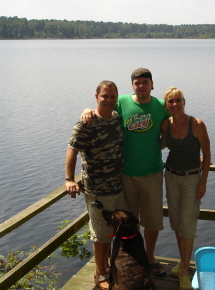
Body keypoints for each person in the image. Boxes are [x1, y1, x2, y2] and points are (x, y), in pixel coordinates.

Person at [81, 68, 169, 277]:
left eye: (145, 82)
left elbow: (177, 123)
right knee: (130, 221)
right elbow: (102, 107)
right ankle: (134, 257)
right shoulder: (120, 101)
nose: (141, 86)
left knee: (153, 221)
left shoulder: (160, 106)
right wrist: (86, 110)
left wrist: (194, 154)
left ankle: (149, 257)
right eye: (137, 82)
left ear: (152, 84)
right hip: (125, 175)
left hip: (152, 173)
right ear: (132, 85)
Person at [65, 80, 124, 290]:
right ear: (96, 97)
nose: (108, 100)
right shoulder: (86, 123)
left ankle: (109, 267)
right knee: (101, 235)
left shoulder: (117, 117)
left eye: (112, 97)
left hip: (118, 186)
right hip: (98, 190)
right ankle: (100, 274)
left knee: (114, 231)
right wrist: (69, 179)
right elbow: (72, 149)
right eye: (104, 96)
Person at [160, 87, 211, 290]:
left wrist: (203, 182)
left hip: (191, 179)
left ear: (184, 101)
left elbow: (207, 154)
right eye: (171, 101)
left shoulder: (197, 124)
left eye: (178, 100)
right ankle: (183, 260)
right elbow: (160, 145)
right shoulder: (166, 124)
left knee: (188, 225)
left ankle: (184, 272)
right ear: (167, 105)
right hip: (171, 176)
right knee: (177, 223)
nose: (175, 104)